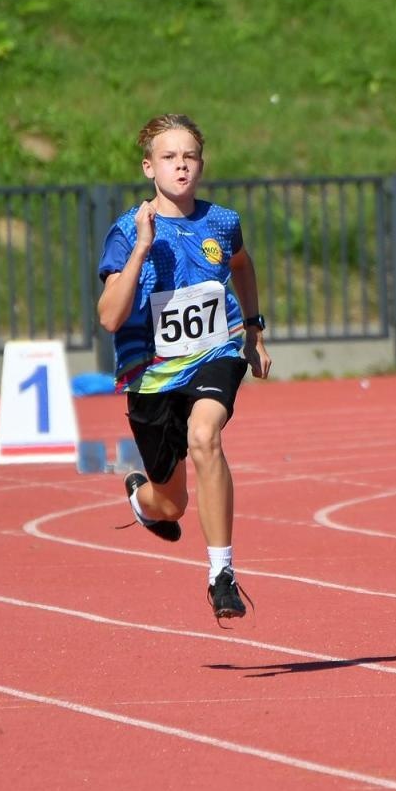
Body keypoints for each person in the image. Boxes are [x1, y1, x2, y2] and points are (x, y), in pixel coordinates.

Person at [97, 114, 270, 623]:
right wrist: (144, 248)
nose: (181, 166)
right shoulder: (128, 231)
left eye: (189, 157)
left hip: (216, 353)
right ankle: (142, 497)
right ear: (149, 167)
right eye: (169, 157)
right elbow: (109, 316)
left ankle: (222, 574)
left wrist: (254, 327)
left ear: (201, 164)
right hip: (150, 375)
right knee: (169, 504)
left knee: (204, 436)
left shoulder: (222, 221)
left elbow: (240, 263)